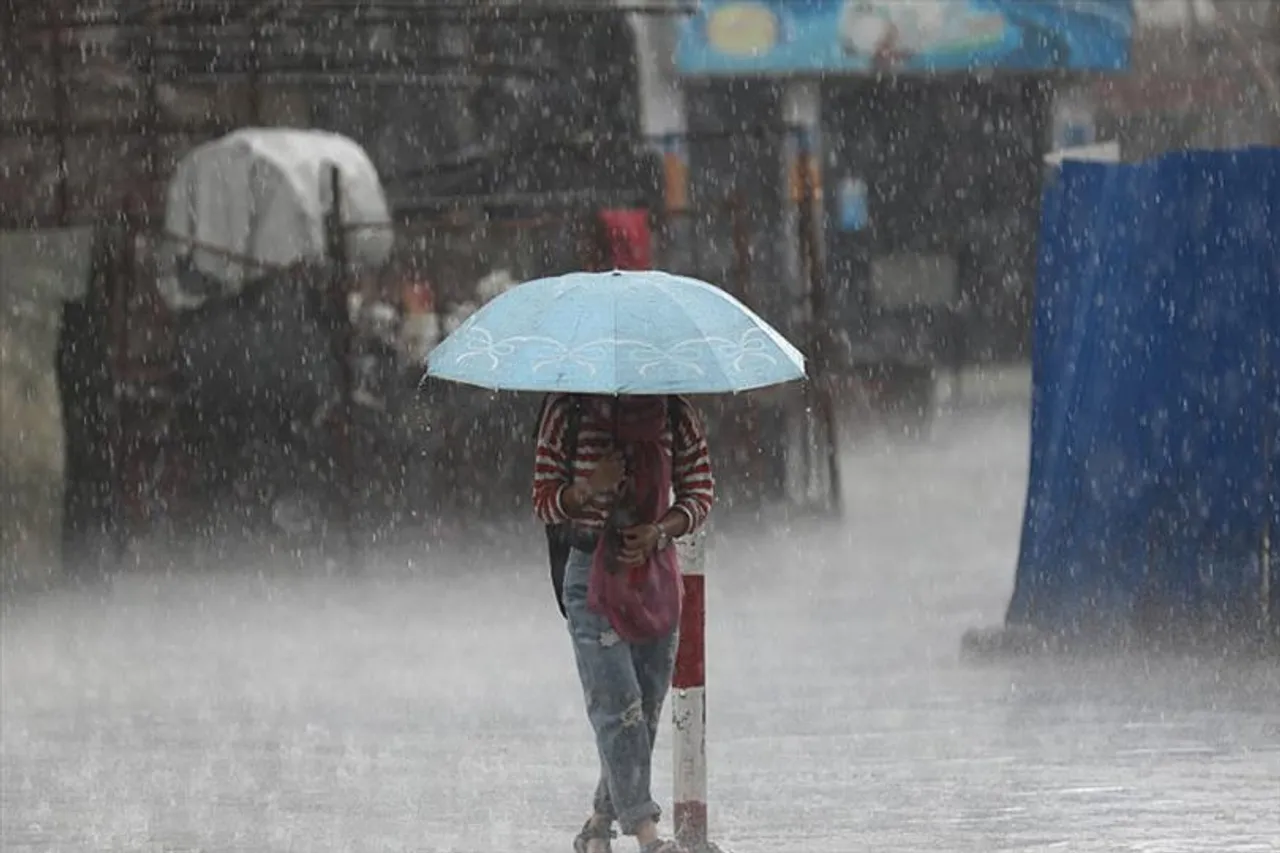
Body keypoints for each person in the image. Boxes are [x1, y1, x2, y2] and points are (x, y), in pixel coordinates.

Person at [533, 393, 715, 853]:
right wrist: (589, 487)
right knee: (617, 705)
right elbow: (544, 501)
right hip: (590, 574)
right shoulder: (567, 412)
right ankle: (648, 835)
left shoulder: (676, 413)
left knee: (644, 711)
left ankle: (598, 822)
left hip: (654, 578)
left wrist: (660, 530)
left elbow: (700, 492)